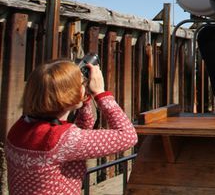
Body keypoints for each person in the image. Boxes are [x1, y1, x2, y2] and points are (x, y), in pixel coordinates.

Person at [5, 60, 137, 195]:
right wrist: (100, 93)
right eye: (82, 83)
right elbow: (128, 136)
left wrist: (84, 100)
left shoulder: (19, 128)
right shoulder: (63, 139)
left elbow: (82, 131)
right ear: (68, 93)